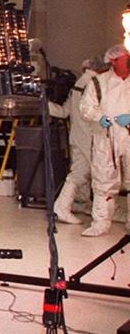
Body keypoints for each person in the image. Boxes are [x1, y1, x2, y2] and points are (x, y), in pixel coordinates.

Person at [78, 45, 130, 237]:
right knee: (103, 181)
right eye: (125, 58)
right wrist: (99, 116)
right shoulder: (99, 83)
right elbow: (86, 107)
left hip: (129, 135)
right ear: (114, 61)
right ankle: (100, 223)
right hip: (106, 137)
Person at [51, 58, 102, 224]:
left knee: (79, 172)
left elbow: (64, 111)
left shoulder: (77, 85)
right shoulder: (97, 83)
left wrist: (43, 104)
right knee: (101, 175)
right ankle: (99, 212)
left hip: (77, 136)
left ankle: (68, 205)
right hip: (91, 137)